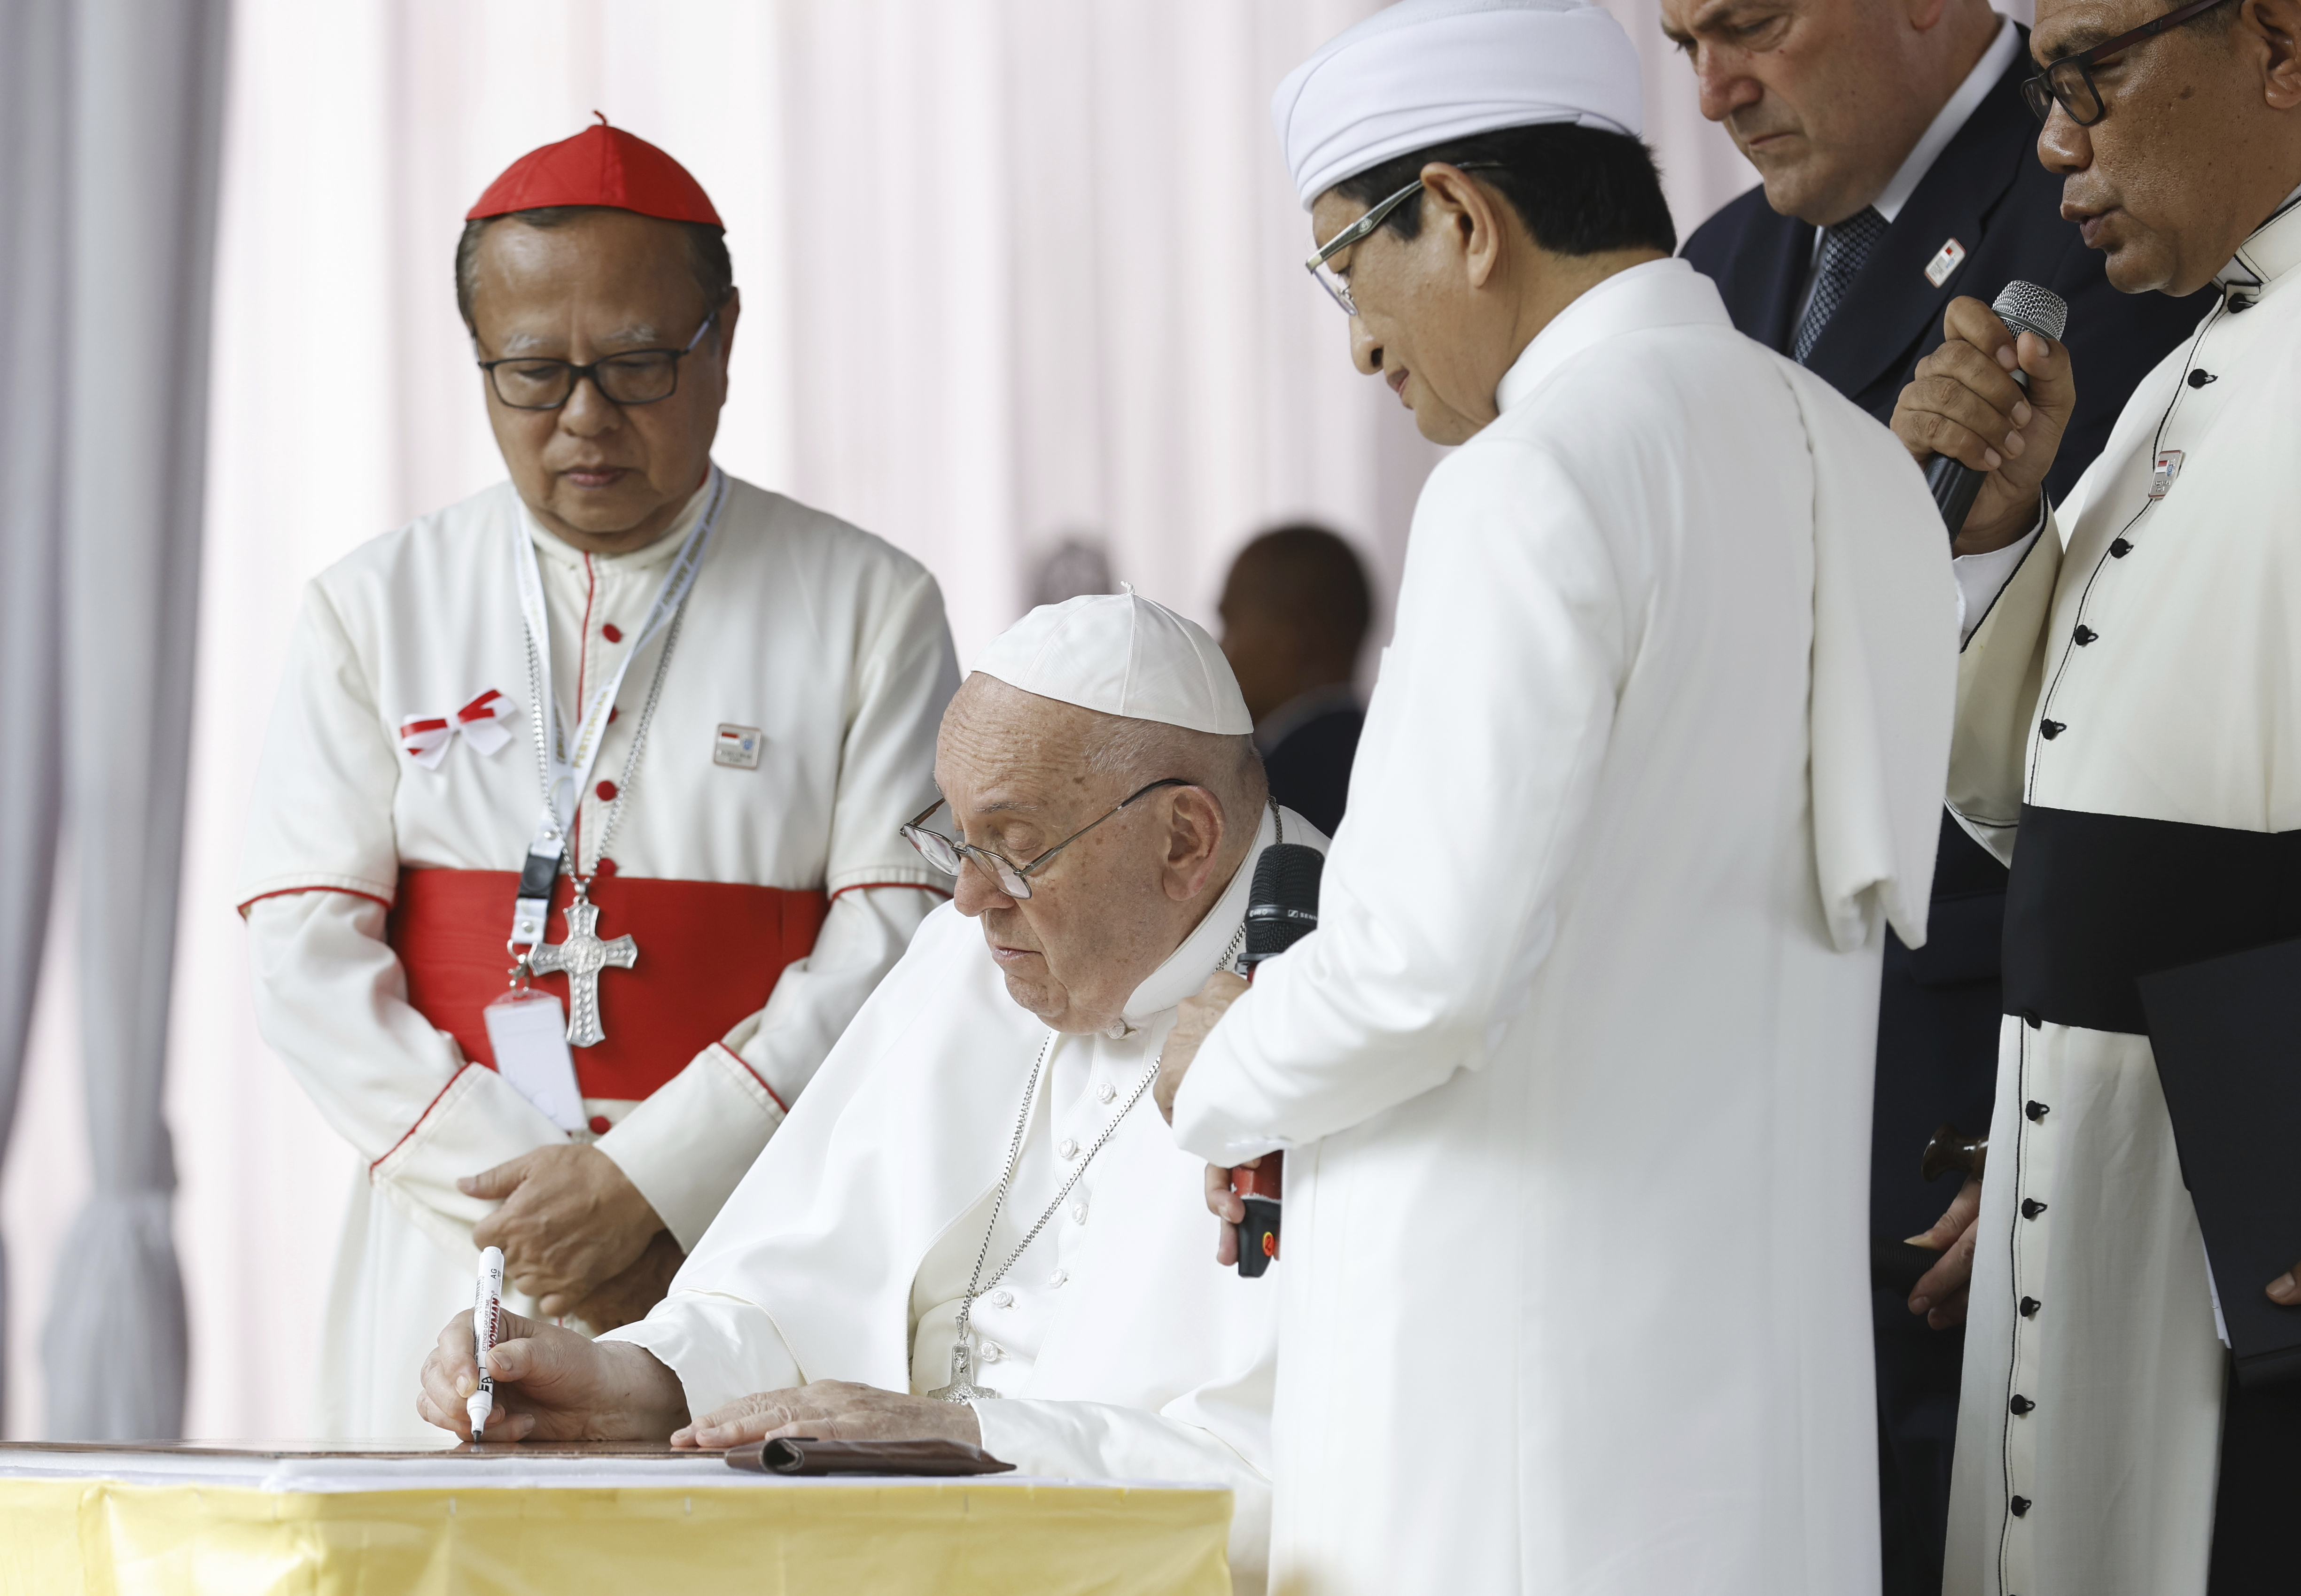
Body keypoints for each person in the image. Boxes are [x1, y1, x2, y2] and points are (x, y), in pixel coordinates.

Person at [1153, 1, 1960, 1590]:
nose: (1360, 345)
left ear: (1455, 218)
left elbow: (1420, 973)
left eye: (1345, 273)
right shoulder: (1850, 459)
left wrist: (1216, 1051)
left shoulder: (1529, 480)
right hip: (1763, 1457)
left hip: (1503, 1447)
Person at [238, 121, 958, 1438]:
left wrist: (652, 1180)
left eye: (634, 365)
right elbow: (301, 950)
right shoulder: (371, 605)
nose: (584, 417)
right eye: (530, 373)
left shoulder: (872, 604)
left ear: (722, 339)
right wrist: (531, 1200)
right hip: (452, 1236)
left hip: (746, 1228)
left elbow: (899, 937)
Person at [417, 592, 1307, 1594]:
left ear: (1185, 840)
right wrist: (635, 1382)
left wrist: (968, 1440)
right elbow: (790, 1284)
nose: (967, 898)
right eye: (955, 838)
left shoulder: (1330, 1014)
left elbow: (1303, 1478)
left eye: (1013, 844)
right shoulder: (969, 957)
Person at [1663, 0, 2209, 1584]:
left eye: (1748, 22)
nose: (1714, 86)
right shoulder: (1709, 279)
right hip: (1736, 1122)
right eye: (1680, 40)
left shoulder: (2119, 204)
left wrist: (2075, 1088)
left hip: (1970, 1104)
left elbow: (2160, 723)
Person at [1889, 0, 2301, 1587]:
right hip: (2103, 1206)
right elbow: (2046, 826)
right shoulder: (2174, 379)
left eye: (2086, 78)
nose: (2051, 144)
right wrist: (1996, 542)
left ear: (2275, 43)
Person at [1216, 523, 1371, 837]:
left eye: (1230, 623)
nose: (1219, 650)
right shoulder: (1384, 762)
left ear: (1294, 636)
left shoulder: (1261, 793)